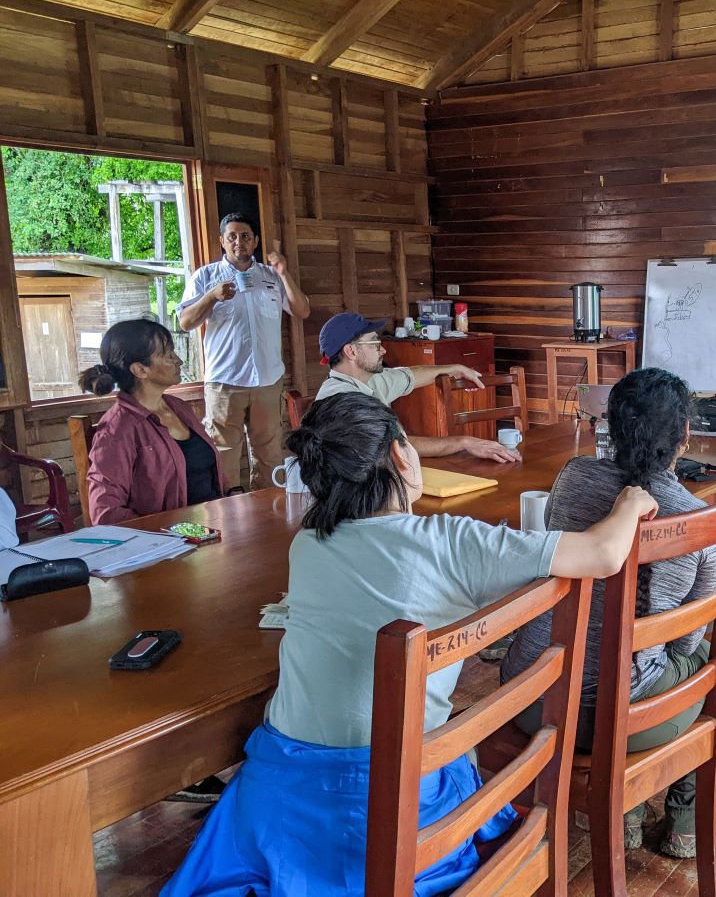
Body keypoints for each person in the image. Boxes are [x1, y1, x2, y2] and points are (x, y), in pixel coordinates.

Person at [162, 391, 658, 896]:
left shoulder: (308, 543)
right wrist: (630, 501)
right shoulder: (450, 541)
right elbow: (601, 554)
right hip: (403, 803)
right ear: (402, 455)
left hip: (283, 800)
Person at [502, 367, 716, 859]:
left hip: (532, 698)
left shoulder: (572, 478)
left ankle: (623, 813)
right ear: (685, 437)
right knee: (708, 661)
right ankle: (685, 820)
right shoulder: (694, 518)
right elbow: (684, 643)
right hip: (624, 717)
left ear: (612, 428)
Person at [178, 212, 311, 491]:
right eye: (232, 237)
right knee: (223, 452)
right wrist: (211, 297)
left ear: (255, 241)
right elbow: (185, 322)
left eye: (246, 236)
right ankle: (228, 517)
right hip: (225, 381)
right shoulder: (206, 277)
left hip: (268, 380)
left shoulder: (271, 275)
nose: (239, 242)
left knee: (270, 452)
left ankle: (268, 514)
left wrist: (284, 272)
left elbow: (302, 310)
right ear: (222, 242)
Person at [314, 312, 519, 462]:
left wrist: (453, 368)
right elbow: (397, 446)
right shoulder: (342, 401)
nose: (383, 350)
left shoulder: (369, 379)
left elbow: (411, 375)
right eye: (375, 344)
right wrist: (465, 442)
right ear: (351, 351)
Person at [78, 319, 225, 526]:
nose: (179, 361)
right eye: (168, 355)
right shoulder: (117, 429)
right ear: (140, 370)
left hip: (212, 526)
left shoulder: (178, 407)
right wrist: (167, 533)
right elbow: (106, 513)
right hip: (170, 544)